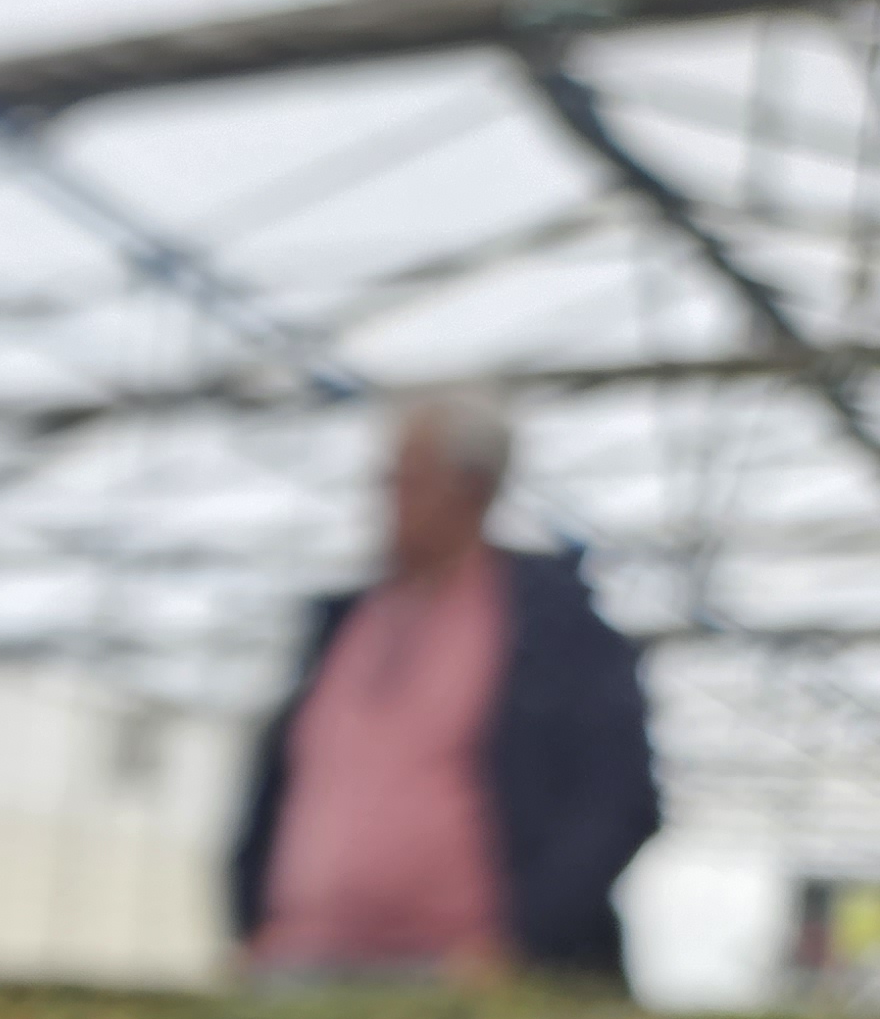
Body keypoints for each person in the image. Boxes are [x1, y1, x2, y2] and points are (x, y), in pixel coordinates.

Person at [232, 394, 658, 985]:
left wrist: (526, 942)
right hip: (300, 960)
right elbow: (276, 784)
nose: (388, 500)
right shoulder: (343, 623)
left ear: (473, 488)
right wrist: (249, 922)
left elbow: (619, 797)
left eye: (409, 478)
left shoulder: (552, 629)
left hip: (459, 971)